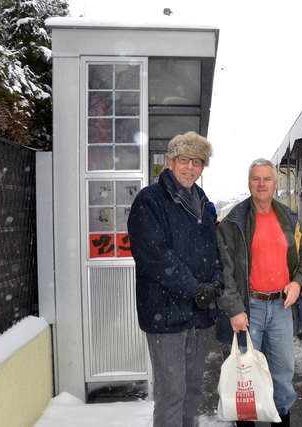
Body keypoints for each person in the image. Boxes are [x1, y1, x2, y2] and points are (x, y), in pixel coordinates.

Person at [127, 131, 223, 427]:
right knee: (172, 393)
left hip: (199, 314)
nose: (190, 167)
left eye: (198, 161)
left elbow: (214, 248)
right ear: (170, 162)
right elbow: (154, 256)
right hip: (165, 313)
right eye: (184, 159)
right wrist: (196, 290)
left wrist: (216, 282)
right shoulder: (150, 200)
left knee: (193, 390)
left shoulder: (202, 201)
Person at [216, 158, 302, 427]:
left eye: (267, 179)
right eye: (256, 179)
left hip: (282, 307)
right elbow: (223, 270)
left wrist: (297, 283)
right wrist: (234, 308)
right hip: (249, 308)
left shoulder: (290, 219)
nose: (262, 184)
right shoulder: (233, 223)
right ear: (249, 183)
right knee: (245, 373)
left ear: (275, 183)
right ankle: (245, 420)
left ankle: (281, 419)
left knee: (283, 373)